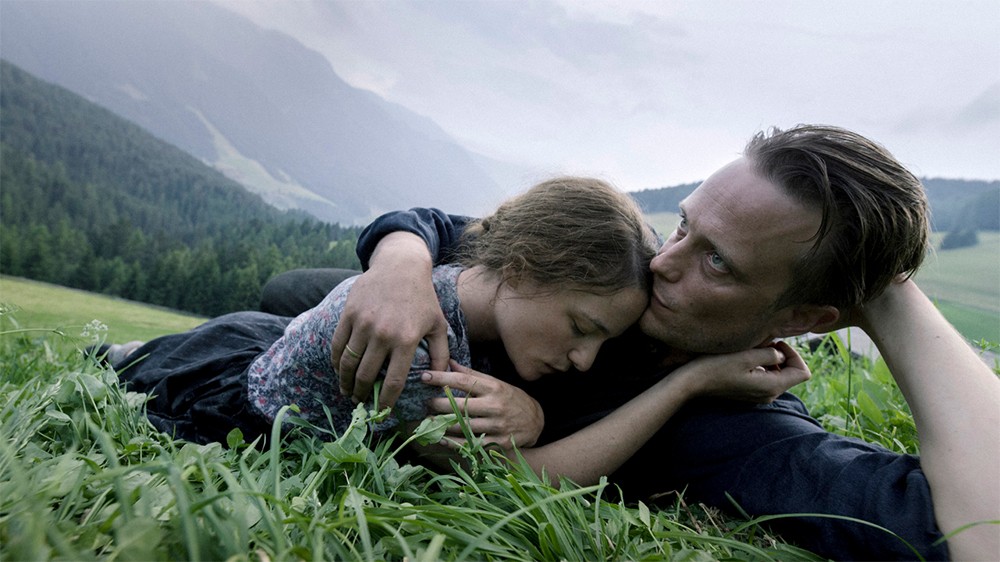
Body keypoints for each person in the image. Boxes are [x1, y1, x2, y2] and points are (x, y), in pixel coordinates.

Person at [260, 125, 1000, 560]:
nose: (664, 263)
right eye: (684, 226)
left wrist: (891, 299)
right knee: (289, 290)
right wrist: (397, 264)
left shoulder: (746, 432)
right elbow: (466, 231)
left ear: (805, 316)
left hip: (373, 405)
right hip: (395, 334)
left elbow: (984, 533)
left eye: (717, 263)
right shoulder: (637, 275)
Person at [104, 177, 806, 483]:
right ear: (523, 267)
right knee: (138, 369)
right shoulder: (419, 351)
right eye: (580, 328)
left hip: (264, 351)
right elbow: (522, 481)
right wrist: (688, 384)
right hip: (234, 402)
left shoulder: (484, 284)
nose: (585, 358)